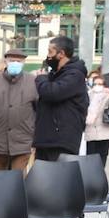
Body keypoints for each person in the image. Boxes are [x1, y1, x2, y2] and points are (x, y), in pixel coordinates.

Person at [32, 35, 89, 163]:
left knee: (58, 180)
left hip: (61, 141)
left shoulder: (75, 74)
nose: (48, 56)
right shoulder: (55, 74)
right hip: (46, 139)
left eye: (50, 52)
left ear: (61, 53)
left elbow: (52, 93)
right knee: (41, 180)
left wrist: (41, 78)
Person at [0, 49, 38, 172]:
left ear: (24, 63)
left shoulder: (33, 82)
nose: (15, 63)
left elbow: (39, 111)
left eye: (19, 61)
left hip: (23, 143)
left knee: (17, 182)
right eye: (12, 60)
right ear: (6, 61)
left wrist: (34, 136)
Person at [84, 72, 109, 167]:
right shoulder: (88, 94)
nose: (97, 86)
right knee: (90, 156)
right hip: (91, 129)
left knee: (103, 155)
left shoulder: (108, 95)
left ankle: (101, 175)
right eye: (95, 84)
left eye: (100, 84)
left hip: (104, 130)